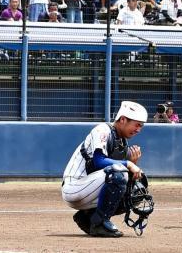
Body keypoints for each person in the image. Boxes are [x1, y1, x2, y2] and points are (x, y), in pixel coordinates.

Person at [62, 101, 146, 238]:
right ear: (123, 119)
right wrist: (128, 164)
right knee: (119, 174)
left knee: (135, 191)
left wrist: (130, 164)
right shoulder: (103, 130)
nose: (139, 129)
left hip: (90, 189)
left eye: (141, 126)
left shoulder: (122, 142)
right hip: (75, 187)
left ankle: (87, 217)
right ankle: (100, 223)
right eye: (137, 124)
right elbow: (99, 160)